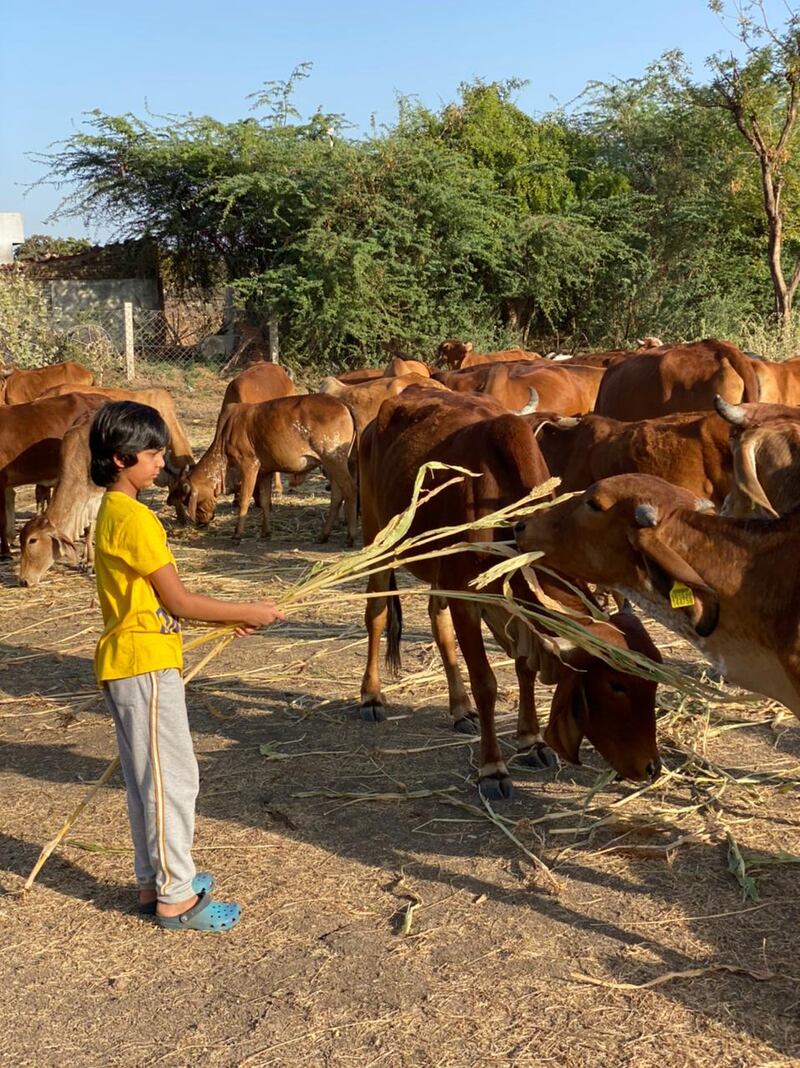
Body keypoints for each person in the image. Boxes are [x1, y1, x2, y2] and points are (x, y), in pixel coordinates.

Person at [89, 401, 284, 932]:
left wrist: (222, 623)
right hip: (143, 665)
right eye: (152, 454)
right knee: (172, 781)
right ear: (120, 459)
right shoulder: (134, 520)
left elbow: (155, 600)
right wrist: (247, 610)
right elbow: (178, 601)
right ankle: (175, 898)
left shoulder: (114, 511)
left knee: (149, 779)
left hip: (135, 659)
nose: (162, 462)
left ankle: (156, 878)